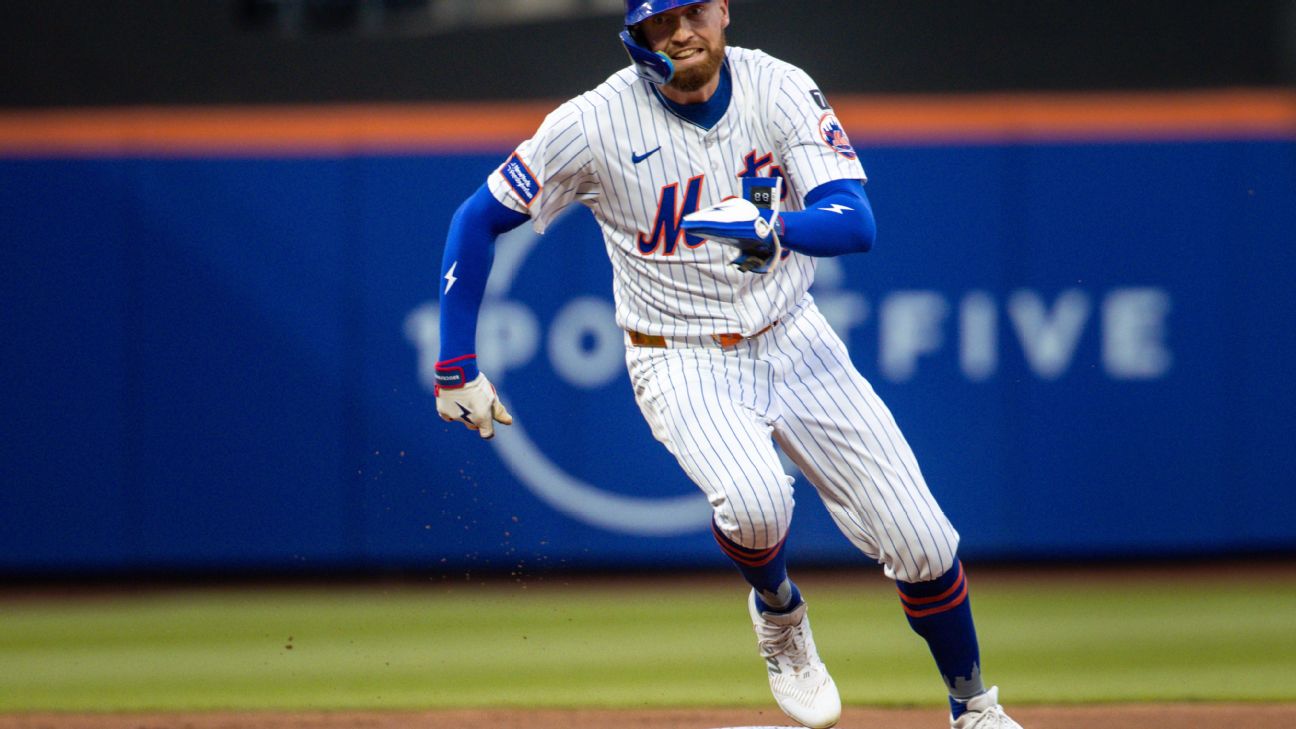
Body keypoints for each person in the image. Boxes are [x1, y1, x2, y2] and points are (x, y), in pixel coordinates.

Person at [434, 2, 1024, 727]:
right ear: (636, 36)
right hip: (679, 354)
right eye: (662, 21)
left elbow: (855, 222)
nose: (682, 31)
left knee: (924, 540)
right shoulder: (591, 122)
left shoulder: (778, 86)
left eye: (694, 11)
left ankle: (975, 707)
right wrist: (455, 363)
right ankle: (779, 611)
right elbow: (477, 217)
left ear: (722, 12)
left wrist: (775, 227)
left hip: (794, 336)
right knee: (755, 502)